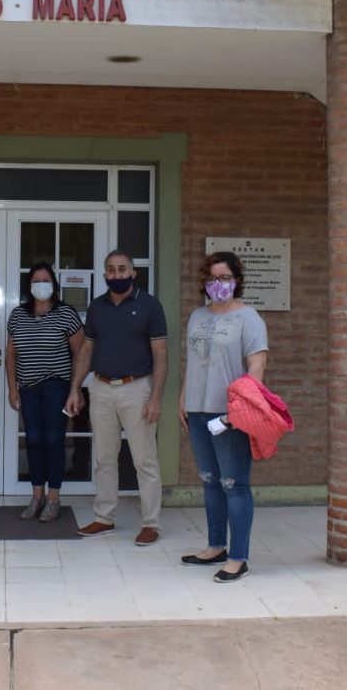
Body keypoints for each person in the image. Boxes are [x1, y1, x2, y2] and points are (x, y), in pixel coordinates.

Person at [66, 249, 168, 546]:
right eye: (111, 270)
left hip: (137, 389)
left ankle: (151, 523)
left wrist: (156, 398)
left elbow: (161, 354)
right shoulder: (97, 306)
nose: (117, 275)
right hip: (100, 387)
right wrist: (76, 388)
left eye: (123, 269)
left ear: (133, 273)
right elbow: (87, 349)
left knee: (144, 460)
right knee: (105, 458)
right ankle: (104, 517)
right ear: (104, 274)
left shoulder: (150, 306)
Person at [179, 251, 268, 583]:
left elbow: (257, 368)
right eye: (212, 278)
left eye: (225, 278)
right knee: (210, 481)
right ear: (204, 282)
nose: (219, 284)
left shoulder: (250, 319)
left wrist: (239, 409)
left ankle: (238, 557)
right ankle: (216, 545)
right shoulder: (196, 316)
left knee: (234, 484)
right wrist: (183, 398)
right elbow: (193, 361)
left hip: (229, 414)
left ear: (237, 280)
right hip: (197, 411)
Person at [6, 263, 85, 523]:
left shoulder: (66, 314)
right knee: (34, 440)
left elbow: (80, 354)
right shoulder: (18, 315)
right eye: (36, 281)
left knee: (53, 439)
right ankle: (36, 495)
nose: (41, 285)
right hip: (28, 388)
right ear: (30, 286)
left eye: (46, 280)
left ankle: (53, 498)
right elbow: (10, 355)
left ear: (54, 284)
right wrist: (11, 388)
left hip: (57, 387)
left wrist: (76, 389)